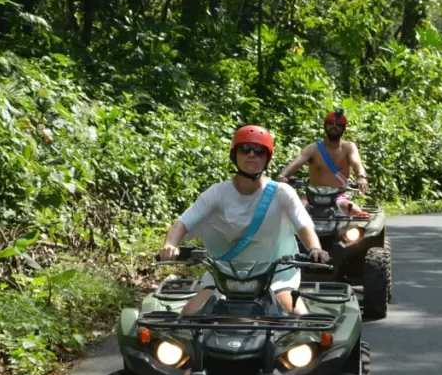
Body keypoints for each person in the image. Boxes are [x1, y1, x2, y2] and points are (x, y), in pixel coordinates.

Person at [159, 124, 330, 316]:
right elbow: (183, 222)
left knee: (300, 318)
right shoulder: (217, 193)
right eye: (245, 149)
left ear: (266, 158)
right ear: (235, 154)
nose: (252, 155)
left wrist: (315, 249)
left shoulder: (282, 193)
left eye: (259, 151)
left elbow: (303, 225)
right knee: (188, 316)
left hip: (276, 277)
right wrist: (170, 244)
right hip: (224, 278)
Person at [276, 108, 371, 217]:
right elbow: (296, 163)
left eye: (339, 124)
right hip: (312, 196)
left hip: (338, 196)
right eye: (331, 123)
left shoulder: (348, 147)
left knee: (357, 212)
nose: (334, 127)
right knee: (295, 213)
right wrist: (282, 175)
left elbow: (357, 163)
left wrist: (362, 176)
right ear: (325, 125)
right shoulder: (313, 148)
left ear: (343, 129)